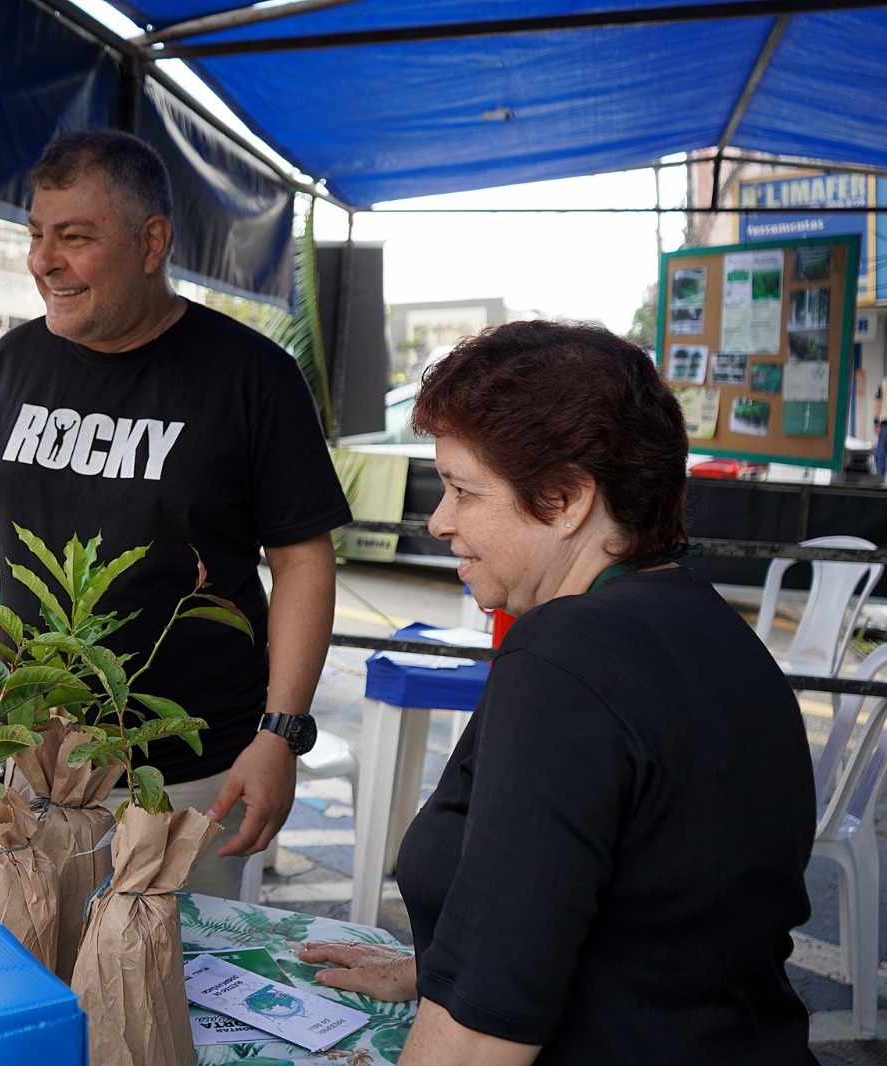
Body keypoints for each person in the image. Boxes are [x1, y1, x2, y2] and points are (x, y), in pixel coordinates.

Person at [298, 320, 817, 1064]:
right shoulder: (715, 629)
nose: (439, 521)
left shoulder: (562, 657)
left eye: (462, 490)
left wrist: (462, 1001)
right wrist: (432, 972)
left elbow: (484, 1032)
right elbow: (647, 911)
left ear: (567, 497)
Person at [0, 128, 350, 899]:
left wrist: (281, 734)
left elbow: (303, 558)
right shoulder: (13, 360)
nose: (45, 261)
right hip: (32, 750)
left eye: (75, 238)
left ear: (152, 243)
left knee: (174, 996)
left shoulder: (251, 376)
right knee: (34, 970)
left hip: (189, 769)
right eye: (37, 236)